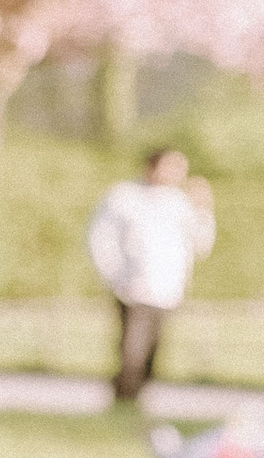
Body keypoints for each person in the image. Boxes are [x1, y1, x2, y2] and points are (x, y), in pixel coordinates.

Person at [88, 145, 215, 403]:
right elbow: (101, 238)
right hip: (132, 287)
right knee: (132, 350)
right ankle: (124, 397)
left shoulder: (179, 203)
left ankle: (137, 397)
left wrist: (203, 210)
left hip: (167, 289)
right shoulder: (124, 196)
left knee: (153, 350)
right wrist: (115, 275)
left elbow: (200, 245)